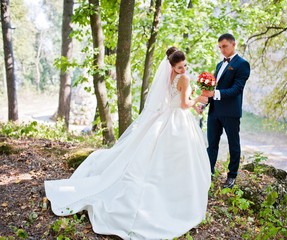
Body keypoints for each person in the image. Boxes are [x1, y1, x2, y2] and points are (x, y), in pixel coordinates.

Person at [44, 47, 211, 240]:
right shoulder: (184, 79)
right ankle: (176, 199)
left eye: (185, 66)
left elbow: (177, 100)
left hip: (168, 118)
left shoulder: (170, 77)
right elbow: (183, 104)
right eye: (180, 66)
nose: (183, 69)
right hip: (176, 121)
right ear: (172, 65)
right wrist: (199, 98)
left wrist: (195, 106)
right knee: (176, 159)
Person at [202, 33, 250, 188]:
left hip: (230, 112)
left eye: (225, 46)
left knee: (233, 144)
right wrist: (205, 103)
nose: (222, 50)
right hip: (214, 111)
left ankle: (232, 175)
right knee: (212, 144)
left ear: (233, 44)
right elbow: (213, 87)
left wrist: (214, 94)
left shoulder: (242, 64)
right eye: (220, 47)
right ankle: (208, 173)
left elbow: (237, 89)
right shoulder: (219, 65)